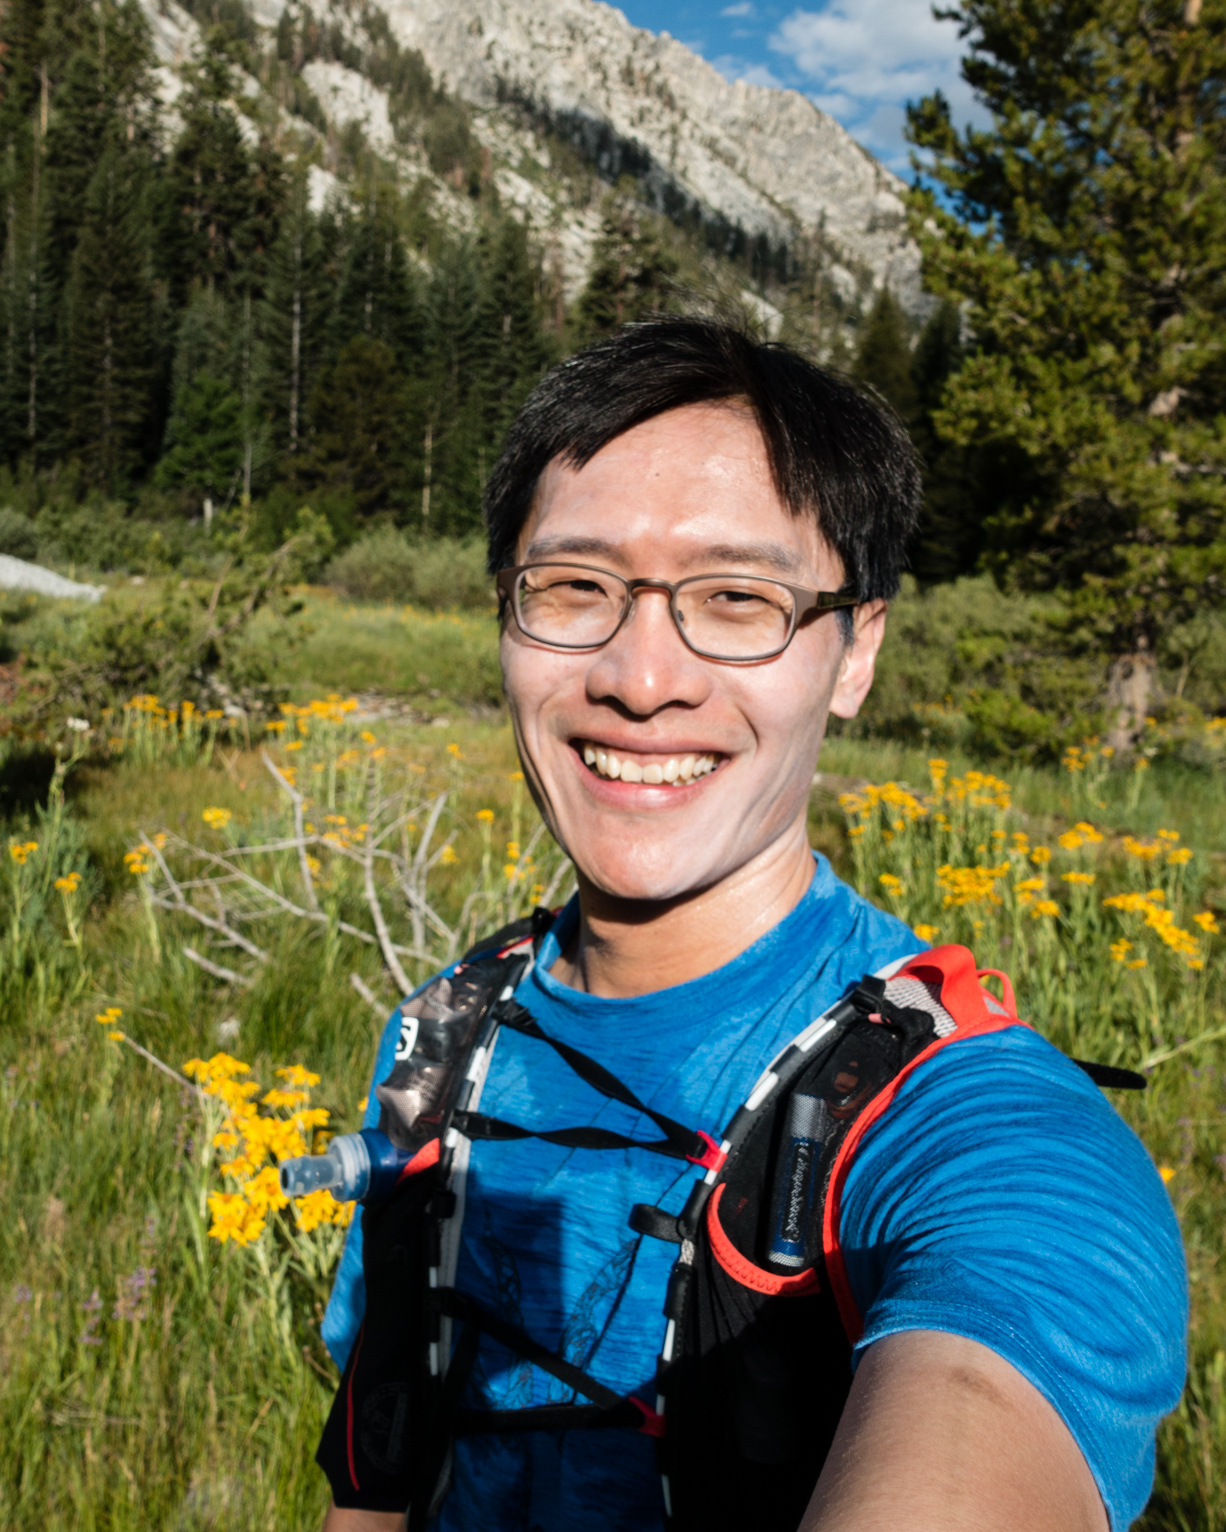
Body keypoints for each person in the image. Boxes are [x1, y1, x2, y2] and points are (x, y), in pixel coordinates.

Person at [320, 318, 1186, 1532]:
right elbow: (376, 1466)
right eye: (572, 587)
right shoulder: (447, 1028)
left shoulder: (969, 1128)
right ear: (504, 620)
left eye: (736, 599)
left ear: (854, 651)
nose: (640, 678)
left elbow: (992, 1342)